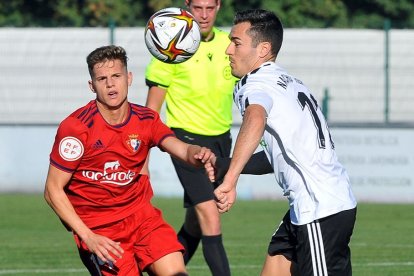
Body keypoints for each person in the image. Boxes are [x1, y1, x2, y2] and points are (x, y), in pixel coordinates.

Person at [44, 45, 216, 276]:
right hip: (101, 231)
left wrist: (197, 152)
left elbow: (181, 148)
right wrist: (88, 237)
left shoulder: (146, 119)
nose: (110, 84)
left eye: (116, 76)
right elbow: (53, 189)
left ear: (129, 78)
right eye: (102, 78)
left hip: (143, 219)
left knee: (177, 273)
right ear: (91, 85)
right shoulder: (76, 128)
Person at [209, 9, 358, 276]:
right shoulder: (289, 82)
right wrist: (229, 165)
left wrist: (230, 180)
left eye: (236, 42)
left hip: (319, 211)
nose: (228, 50)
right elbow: (279, 155)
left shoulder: (255, 84)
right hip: (312, 208)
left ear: (263, 49)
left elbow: (255, 117)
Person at [144, 0, 237, 275]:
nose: (204, 14)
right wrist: (141, 161)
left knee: (196, 223)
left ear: (219, 6)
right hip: (186, 142)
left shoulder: (229, 45)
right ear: (187, 7)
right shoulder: (171, 47)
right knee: (210, 218)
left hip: (221, 140)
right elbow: (150, 114)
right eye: (198, 7)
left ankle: (165, 270)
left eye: (210, 7)